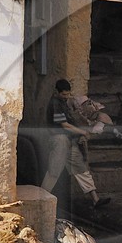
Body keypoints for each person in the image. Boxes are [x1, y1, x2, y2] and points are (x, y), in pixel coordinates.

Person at [41, 78, 109, 212]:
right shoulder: (55, 103)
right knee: (54, 171)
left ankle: (96, 200)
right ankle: (41, 199)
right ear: (57, 92)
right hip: (59, 139)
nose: (66, 97)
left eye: (67, 94)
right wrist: (83, 132)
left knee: (81, 169)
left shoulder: (63, 102)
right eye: (64, 94)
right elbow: (64, 125)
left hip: (69, 140)